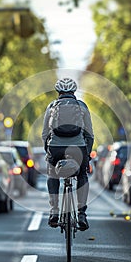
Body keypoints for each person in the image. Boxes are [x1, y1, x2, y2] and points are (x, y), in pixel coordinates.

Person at [42, 78, 94, 230]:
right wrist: (88, 153)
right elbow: (89, 134)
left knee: (52, 174)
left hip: (55, 148)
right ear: (74, 92)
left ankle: (54, 213)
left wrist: (48, 151)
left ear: (58, 92)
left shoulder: (51, 106)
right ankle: (82, 214)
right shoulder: (82, 106)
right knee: (82, 175)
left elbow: (45, 133)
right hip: (78, 148)